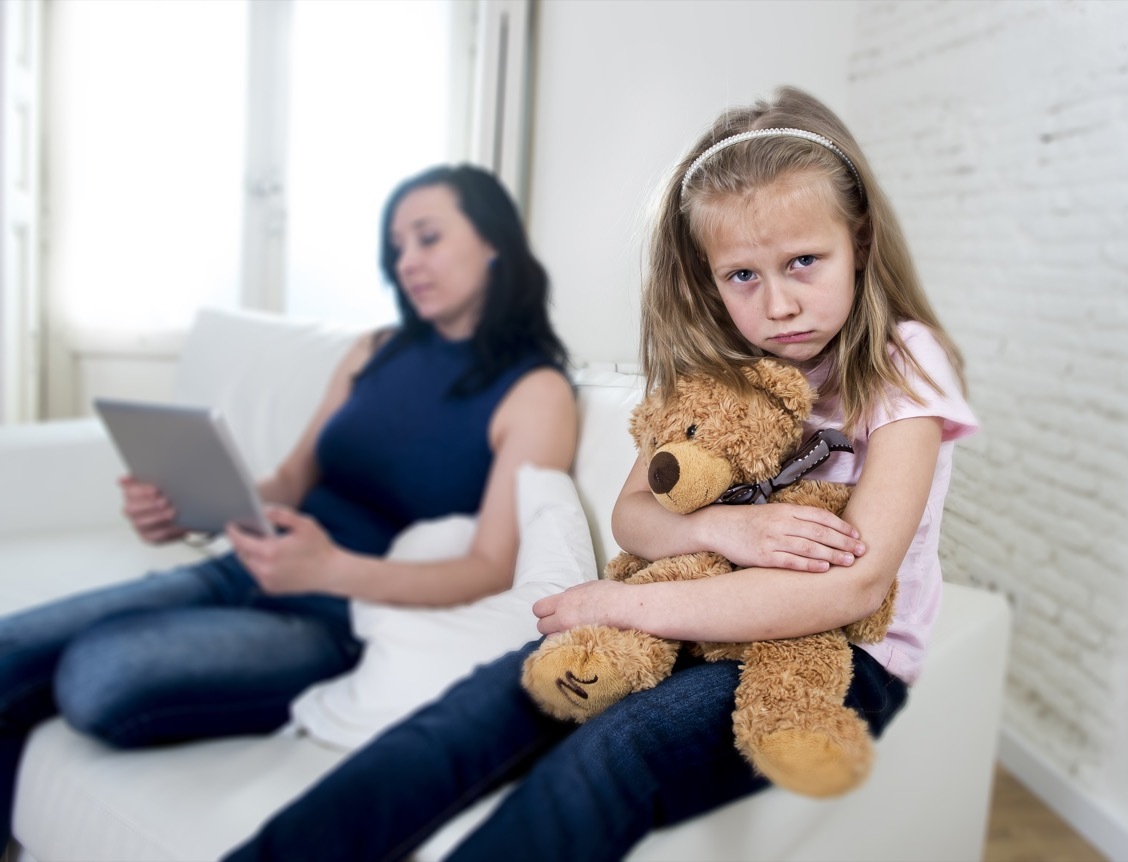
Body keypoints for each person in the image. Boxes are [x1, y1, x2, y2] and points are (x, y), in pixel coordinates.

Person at [223, 86, 978, 862]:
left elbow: (849, 585)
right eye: (742, 276)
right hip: (690, 624)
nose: (779, 304)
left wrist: (626, 604)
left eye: (804, 263)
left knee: (611, 757)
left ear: (859, 238)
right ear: (705, 275)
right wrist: (728, 526)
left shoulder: (903, 362)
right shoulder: (720, 367)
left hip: (832, 657)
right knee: (472, 714)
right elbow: (635, 516)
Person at [0, 164, 577, 847]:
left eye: (427, 238)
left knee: (99, 677)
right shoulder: (376, 351)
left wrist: (329, 571)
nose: (408, 262)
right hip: (241, 565)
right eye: (397, 247)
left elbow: (489, 567)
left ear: (493, 242)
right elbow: (293, 478)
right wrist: (193, 507)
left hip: (332, 616)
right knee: (13, 648)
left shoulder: (536, 393)